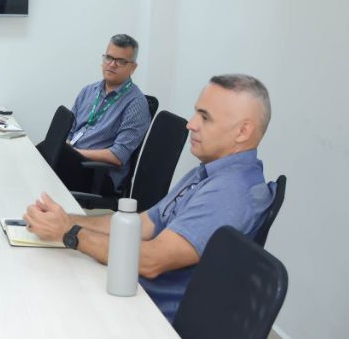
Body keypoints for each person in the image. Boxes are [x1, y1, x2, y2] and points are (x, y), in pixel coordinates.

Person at [26, 74, 275, 321]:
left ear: (243, 131)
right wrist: (67, 221)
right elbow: (144, 224)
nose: (191, 124)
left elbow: (152, 260)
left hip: (150, 316)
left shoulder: (229, 192)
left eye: (205, 117)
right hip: (132, 290)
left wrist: (71, 235)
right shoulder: (208, 172)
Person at [62, 34, 153, 193]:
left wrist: (74, 153)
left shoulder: (136, 103)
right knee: (39, 156)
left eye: (120, 61)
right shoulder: (88, 91)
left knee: (42, 164)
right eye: (109, 57)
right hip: (72, 162)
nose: (111, 64)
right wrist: (64, 148)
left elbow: (118, 156)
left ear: (133, 67)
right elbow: (68, 133)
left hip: (99, 177)